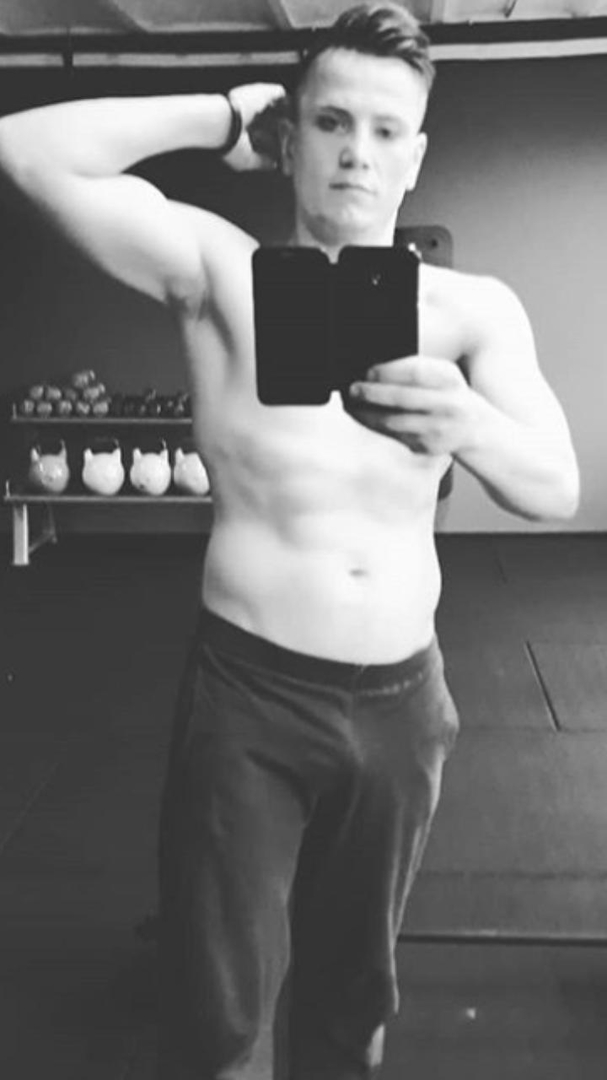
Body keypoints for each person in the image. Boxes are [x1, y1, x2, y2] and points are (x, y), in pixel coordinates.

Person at [0, 4, 579, 1077]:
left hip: (401, 704)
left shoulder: (472, 312)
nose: (357, 151)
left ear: (415, 156)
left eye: (385, 130)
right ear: (291, 139)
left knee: (352, 996)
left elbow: (556, 485)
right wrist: (220, 115)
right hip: (249, 696)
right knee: (218, 1008)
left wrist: (467, 422)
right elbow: (25, 152)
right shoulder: (217, 272)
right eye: (330, 122)